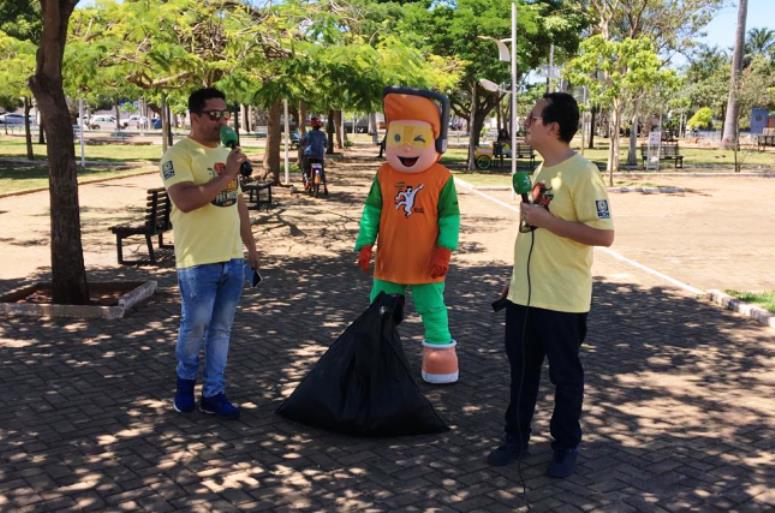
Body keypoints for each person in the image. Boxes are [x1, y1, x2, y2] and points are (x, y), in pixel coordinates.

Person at [487, 92, 614, 478]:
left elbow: (604, 235)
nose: (526, 123)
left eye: (532, 118)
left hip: (562, 299)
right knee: (521, 372)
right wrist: (514, 281)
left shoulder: (583, 173)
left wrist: (545, 221)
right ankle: (516, 438)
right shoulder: (543, 171)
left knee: (565, 376)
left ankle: (565, 445)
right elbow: (531, 232)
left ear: (553, 127)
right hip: (525, 296)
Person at [161, 87, 258, 420]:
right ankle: (184, 385)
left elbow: (238, 203)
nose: (221, 120)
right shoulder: (179, 154)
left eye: (225, 113)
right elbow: (185, 201)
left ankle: (214, 392)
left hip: (231, 257)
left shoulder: (228, 153)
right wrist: (227, 174)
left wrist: (251, 246)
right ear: (195, 116)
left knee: (221, 330)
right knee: (196, 326)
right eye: (214, 114)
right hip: (197, 260)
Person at [355, 87, 461, 384]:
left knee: (433, 310)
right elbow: (372, 210)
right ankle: (379, 358)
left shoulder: (442, 178)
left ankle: (440, 360)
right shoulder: (384, 175)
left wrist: (444, 249)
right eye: (398, 138)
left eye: (417, 139)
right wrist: (365, 242)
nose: (406, 147)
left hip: (427, 262)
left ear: (435, 141)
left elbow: (450, 217)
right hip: (390, 261)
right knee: (380, 312)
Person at [301, 117, 328, 192]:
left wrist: (303, 145)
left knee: (304, 167)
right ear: (319, 126)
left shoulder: (309, 133)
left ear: (312, 126)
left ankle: (306, 180)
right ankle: (324, 184)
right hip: (319, 155)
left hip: (309, 155)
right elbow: (326, 144)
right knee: (322, 169)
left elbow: (302, 142)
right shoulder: (323, 134)